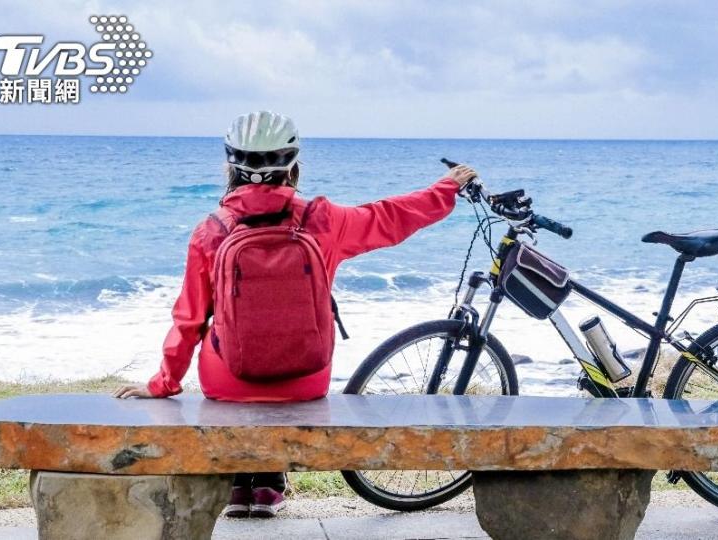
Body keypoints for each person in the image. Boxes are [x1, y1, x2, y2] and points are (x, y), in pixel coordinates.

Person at [113, 111, 476, 518]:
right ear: (293, 163)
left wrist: (163, 383)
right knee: (284, 368)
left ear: (231, 165)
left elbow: (190, 320)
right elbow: (388, 217)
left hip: (229, 381)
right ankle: (269, 483)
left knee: (230, 366)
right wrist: (445, 188)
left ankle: (239, 482)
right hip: (305, 378)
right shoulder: (322, 219)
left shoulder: (210, 231)